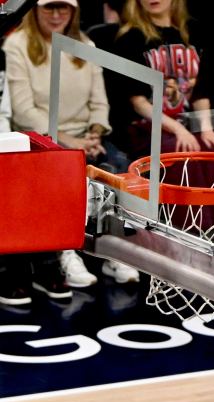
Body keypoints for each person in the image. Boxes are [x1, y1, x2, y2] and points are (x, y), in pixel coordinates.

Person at [2, 0, 135, 289]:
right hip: (39, 138)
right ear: (35, 10)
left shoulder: (85, 44)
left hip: (85, 136)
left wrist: (96, 133)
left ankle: (116, 252)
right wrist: (68, 141)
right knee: (60, 170)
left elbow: (99, 101)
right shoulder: (17, 46)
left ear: (74, 12)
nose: (56, 15)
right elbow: (25, 111)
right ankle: (65, 253)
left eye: (63, 8)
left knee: (119, 167)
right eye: (49, 8)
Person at [107, 0, 214, 158]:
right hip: (147, 128)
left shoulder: (194, 31)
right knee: (181, 153)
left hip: (187, 123)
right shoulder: (129, 38)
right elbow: (138, 103)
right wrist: (178, 130)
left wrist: (206, 129)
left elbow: (201, 92)